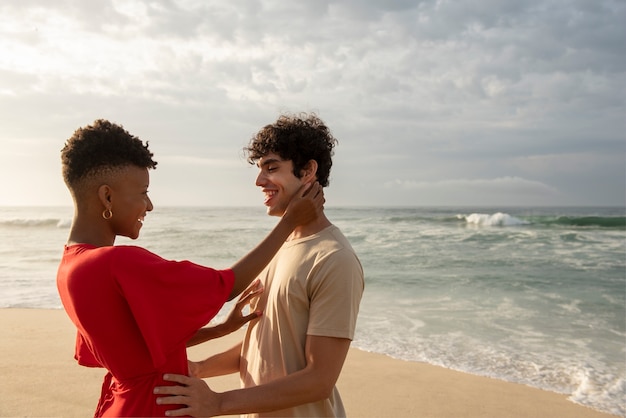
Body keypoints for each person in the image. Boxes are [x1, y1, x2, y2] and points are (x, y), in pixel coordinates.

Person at [56, 119, 324, 417]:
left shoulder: (70, 266)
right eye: (143, 192)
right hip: (154, 407)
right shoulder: (115, 263)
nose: (149, 205)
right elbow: (228, 285)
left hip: (126, 405)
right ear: (107, 196)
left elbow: (137, 348)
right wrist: (289, 222)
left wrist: (220, 330)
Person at [154, 112, 365, 417]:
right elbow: (267, 346)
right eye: (259, 169)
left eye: (272, 167)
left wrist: (219, 403)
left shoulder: (334, 258)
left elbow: (319, 380)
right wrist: (199, 368)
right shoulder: (280, 248)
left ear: (307, 171)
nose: (259, 180)